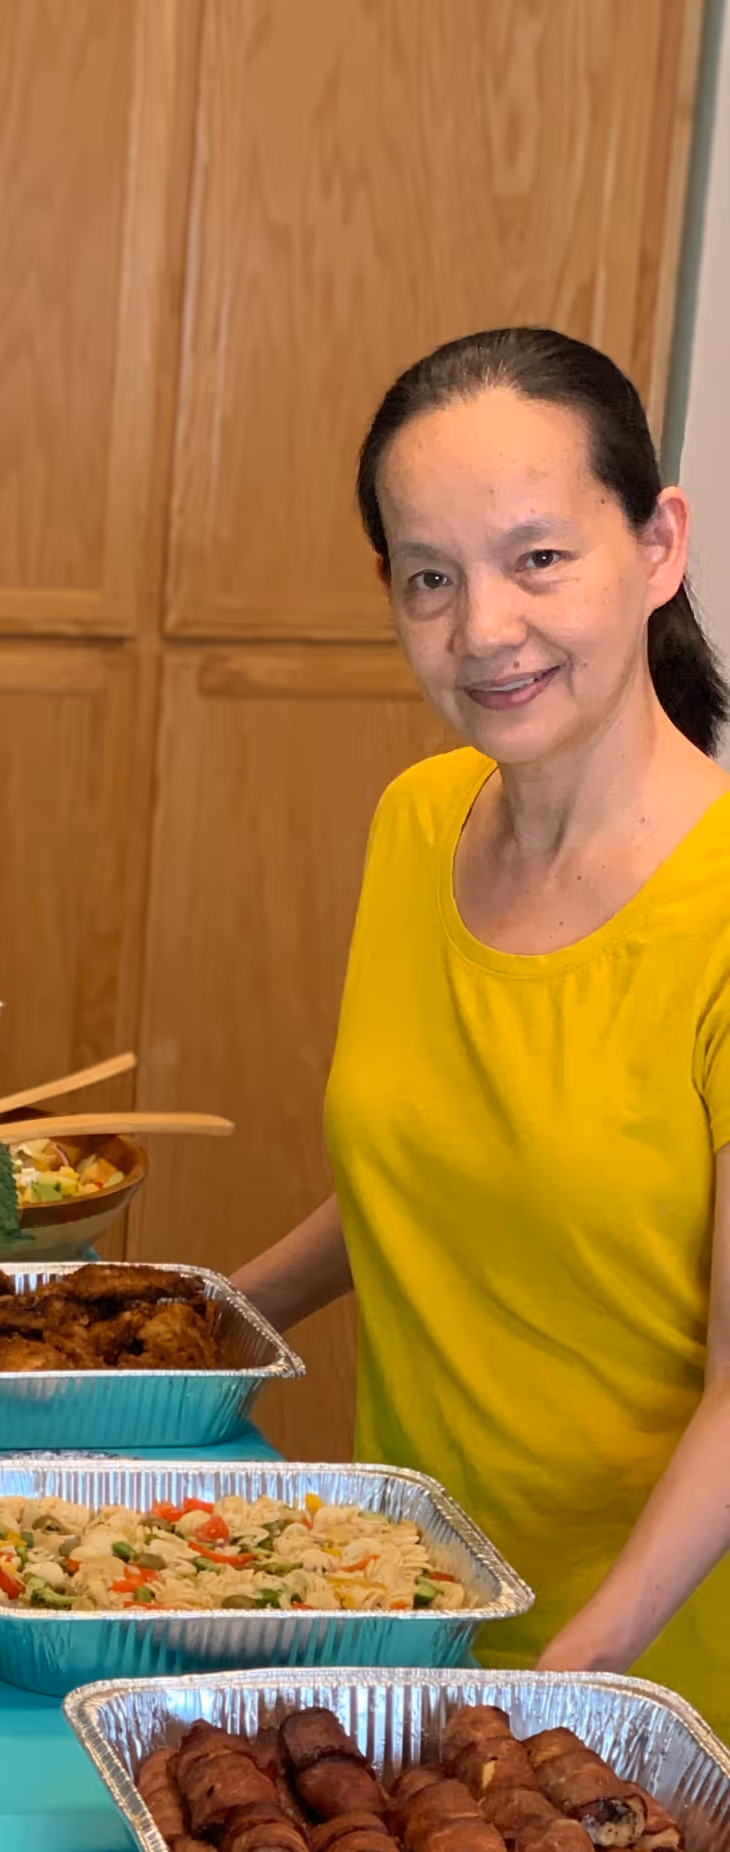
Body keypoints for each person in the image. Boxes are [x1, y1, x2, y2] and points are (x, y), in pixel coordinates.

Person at [233, 326, 730, 1719]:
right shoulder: (417, 821)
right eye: (431, 580)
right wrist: (206, 1321)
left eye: (539, 559)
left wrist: (574, 1673)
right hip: (405, 1612)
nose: (484, 631)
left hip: (651, 1684)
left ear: (660, 545)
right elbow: (438, 1175)